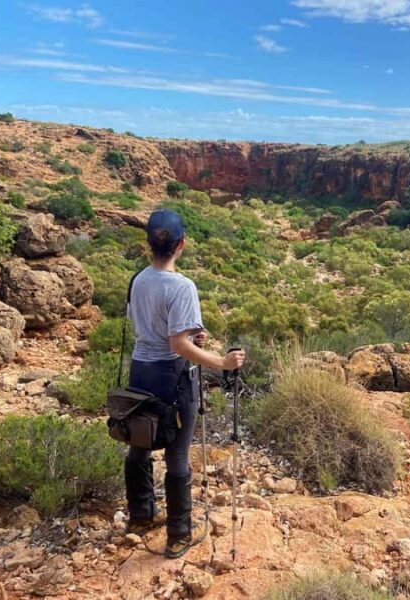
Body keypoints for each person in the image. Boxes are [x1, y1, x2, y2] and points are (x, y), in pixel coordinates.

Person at [124, 208, 246, 559]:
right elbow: (177, 345)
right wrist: (223, 363)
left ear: (150, 243)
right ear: (182, 244)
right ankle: (178, 535)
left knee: (140, 443)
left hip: (140, 372)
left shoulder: (138, 280)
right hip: (172, 377)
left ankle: (141, 516)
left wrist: (192, 335)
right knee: (177, 453)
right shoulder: (182, 287)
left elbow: (149, 328)